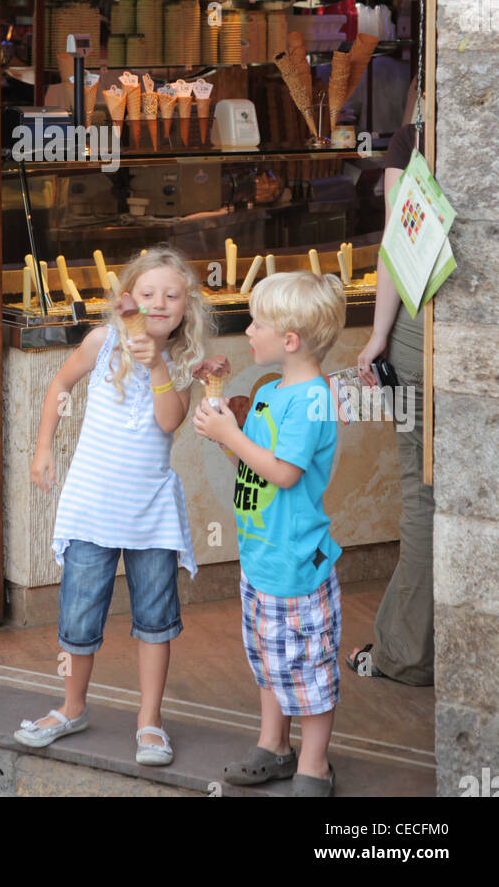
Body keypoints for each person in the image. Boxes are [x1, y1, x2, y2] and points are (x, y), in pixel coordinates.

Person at [14, 245, 210, 766]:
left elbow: (169, 421)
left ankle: (149, 721)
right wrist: (41, 449)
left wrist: (158, 367)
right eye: (147, 294)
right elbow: (60, 384)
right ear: (130, 299)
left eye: (171, 295)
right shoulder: (101, 343)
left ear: (186, 307)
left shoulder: (183, 363)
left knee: (155, 619)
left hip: (150, 514)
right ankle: (71, 706)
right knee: (78, 618)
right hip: (90, 507)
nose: (159, 302)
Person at [195, 271, 347, 797]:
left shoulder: (311, 400)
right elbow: (251, 459)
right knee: (268, 657)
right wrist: (221, 421)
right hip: (260, 556)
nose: (248, 329)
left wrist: (231, 435)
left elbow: (283, 472)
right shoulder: (269, 393)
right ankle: (274, 745)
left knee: (308, 667)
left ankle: (314, 764)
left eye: (257, 321)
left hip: (297, 562)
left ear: (290, 340)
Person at [349, 82, 432, 685]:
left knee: (424, 493)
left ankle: (406, 653)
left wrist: (377, 336)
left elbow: (397, 247)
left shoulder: (414, 142)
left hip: (419, 341)